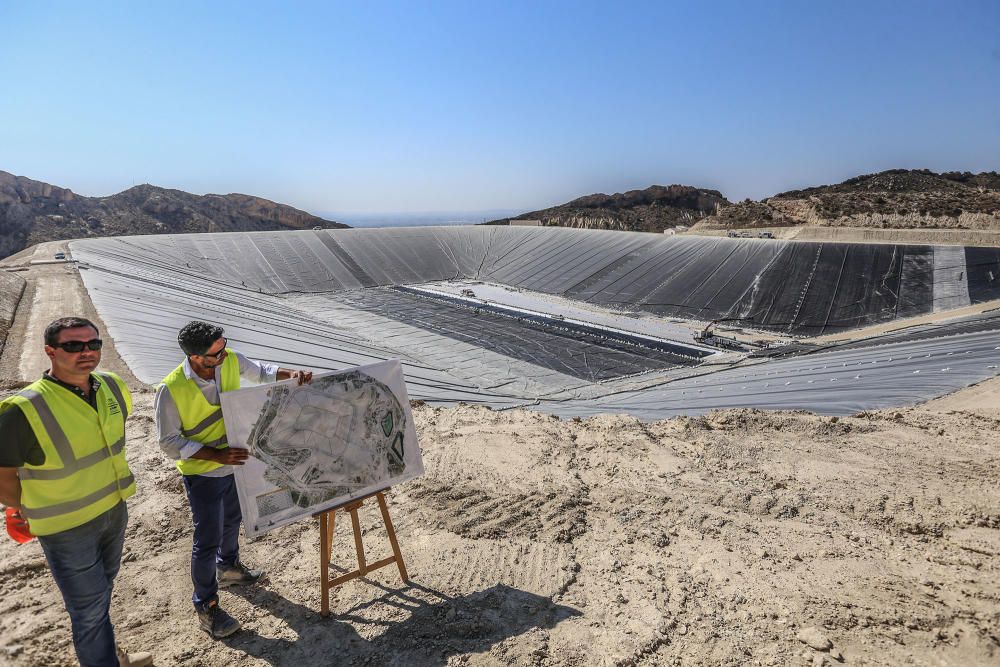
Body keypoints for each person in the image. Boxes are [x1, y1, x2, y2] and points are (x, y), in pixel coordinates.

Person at [0, 317, 152, 667]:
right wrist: (21, 505)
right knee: (88, 611)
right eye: (73, 346)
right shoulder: (24, 409)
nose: (86, 352)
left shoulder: (112, 387)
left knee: (101, 594)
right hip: (66, 526)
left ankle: (110, 654)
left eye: (93, 344)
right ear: (50, 351)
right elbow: (4, 475)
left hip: (113, 510)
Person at [155, 321, 312, 639]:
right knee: (207, 539)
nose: (225, 354)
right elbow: (169, 442)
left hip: (234, 464)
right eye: (217, 352)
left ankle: (228, 567)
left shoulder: (230, 360)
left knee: (233, 519)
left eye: (224, 346)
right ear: (197, 358)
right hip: (204, 473)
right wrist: (216, 456)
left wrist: (290, 374)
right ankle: (206, 605)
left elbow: (262, 371)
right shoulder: (170, 390)